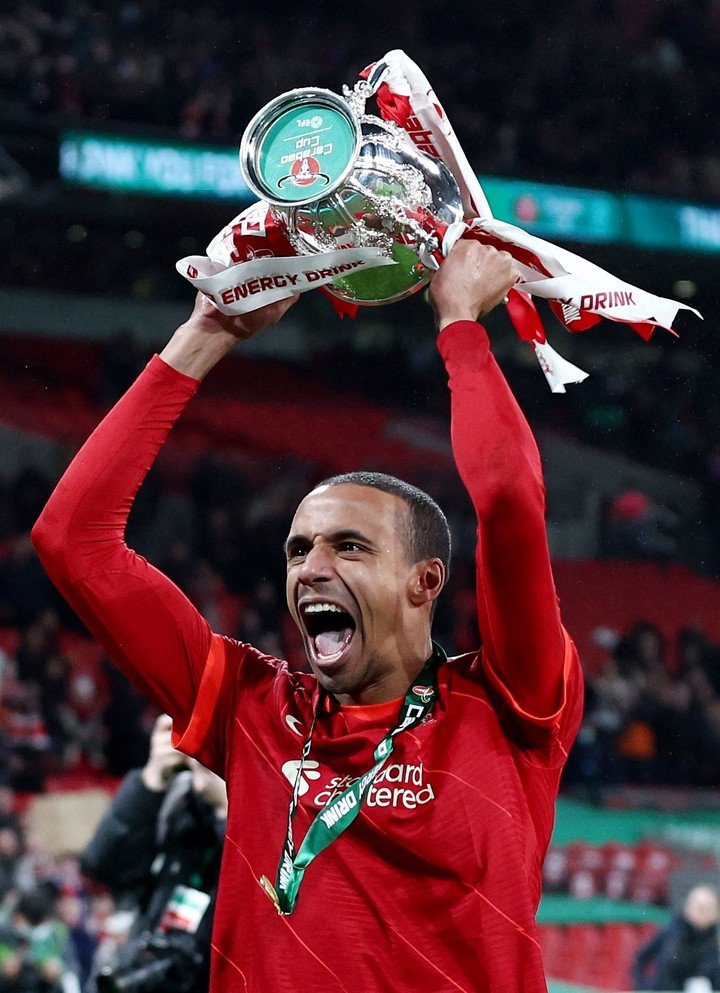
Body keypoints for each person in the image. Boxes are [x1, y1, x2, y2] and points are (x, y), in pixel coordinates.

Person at [31, 241, 583, 993]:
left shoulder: (510, 702)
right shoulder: (250, 707)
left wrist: (460, 326)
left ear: (425, 581)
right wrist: (208, 334)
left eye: (349, 546)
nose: (311, 568)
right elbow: (73, 541)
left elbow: (512, 504)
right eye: (297, 549)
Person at [81, 713, 227, 993]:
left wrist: (229, 812)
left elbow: (272, 904)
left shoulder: (280, 802)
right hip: (152, 969)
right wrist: (151, 781)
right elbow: (103, 868)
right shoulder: (178, 799)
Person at [632, 884, 720, 990]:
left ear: (716, 913)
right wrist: (643, 986)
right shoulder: (671, 931)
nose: (700, 911)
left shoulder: (715, 942)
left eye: (706, 908)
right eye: (696, 905)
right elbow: (642, 957)